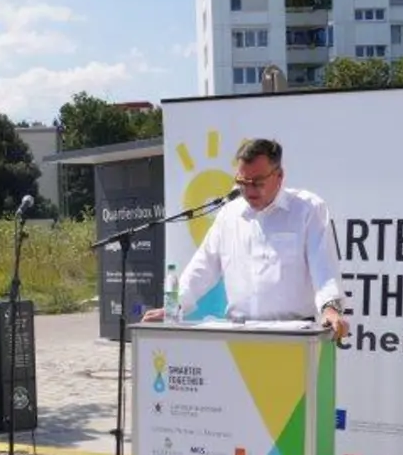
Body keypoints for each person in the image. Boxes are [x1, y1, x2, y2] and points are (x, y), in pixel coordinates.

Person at [142, 137, 349, 339]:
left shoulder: (308, 209)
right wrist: (174, 306)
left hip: (293, 335)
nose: (249, 190)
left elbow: (324, 267)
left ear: (279, 176)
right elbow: (203, 266)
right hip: (239, 334)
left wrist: (330, 307)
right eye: (242, 182)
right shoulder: (229, 213)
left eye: (257, 182)